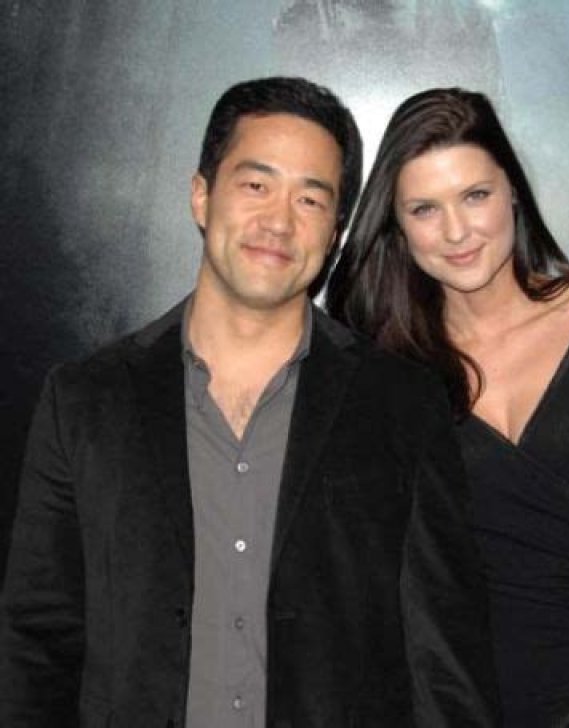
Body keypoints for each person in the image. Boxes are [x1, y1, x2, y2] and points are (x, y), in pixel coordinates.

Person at [0, 78, 500, 727]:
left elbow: (445, 662)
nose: (280, 221)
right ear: (201, 195)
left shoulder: (401, 404)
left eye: (310, 199)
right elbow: (37, 643)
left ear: (335, 230)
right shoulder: (86, 400)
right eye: (257, 185)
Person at [327, 87, 569, 727]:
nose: (456, 231)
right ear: (398, 225)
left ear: (513, 191)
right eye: (424, 209)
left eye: (475, 195)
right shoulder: (386, 367)